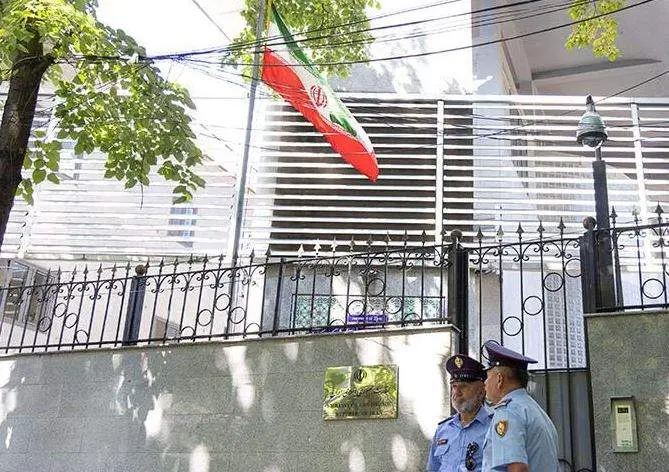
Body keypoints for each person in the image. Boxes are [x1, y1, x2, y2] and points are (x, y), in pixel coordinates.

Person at [481, 341, 559, 472]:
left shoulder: (508, 412)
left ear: (499, 379)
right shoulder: (533, 409)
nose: (485, 383)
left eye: (488, 377)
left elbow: (517, 468)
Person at [427, 354, 492, 472]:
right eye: (454, 386)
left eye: (463, 387)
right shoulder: (443, 429)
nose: (456, 392)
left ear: (481, 391)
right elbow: (433, 468)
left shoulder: (493, 427)